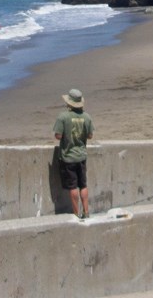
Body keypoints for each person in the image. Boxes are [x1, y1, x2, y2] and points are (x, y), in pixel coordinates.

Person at [53, 88, 94, 219]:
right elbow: (90, 135)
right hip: (81, 156)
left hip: (68, 157)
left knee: (73, 187)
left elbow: (58, 136)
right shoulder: (87, 117)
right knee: (83, 185)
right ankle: (86, 211)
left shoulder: (63, 117)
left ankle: (76, 213)